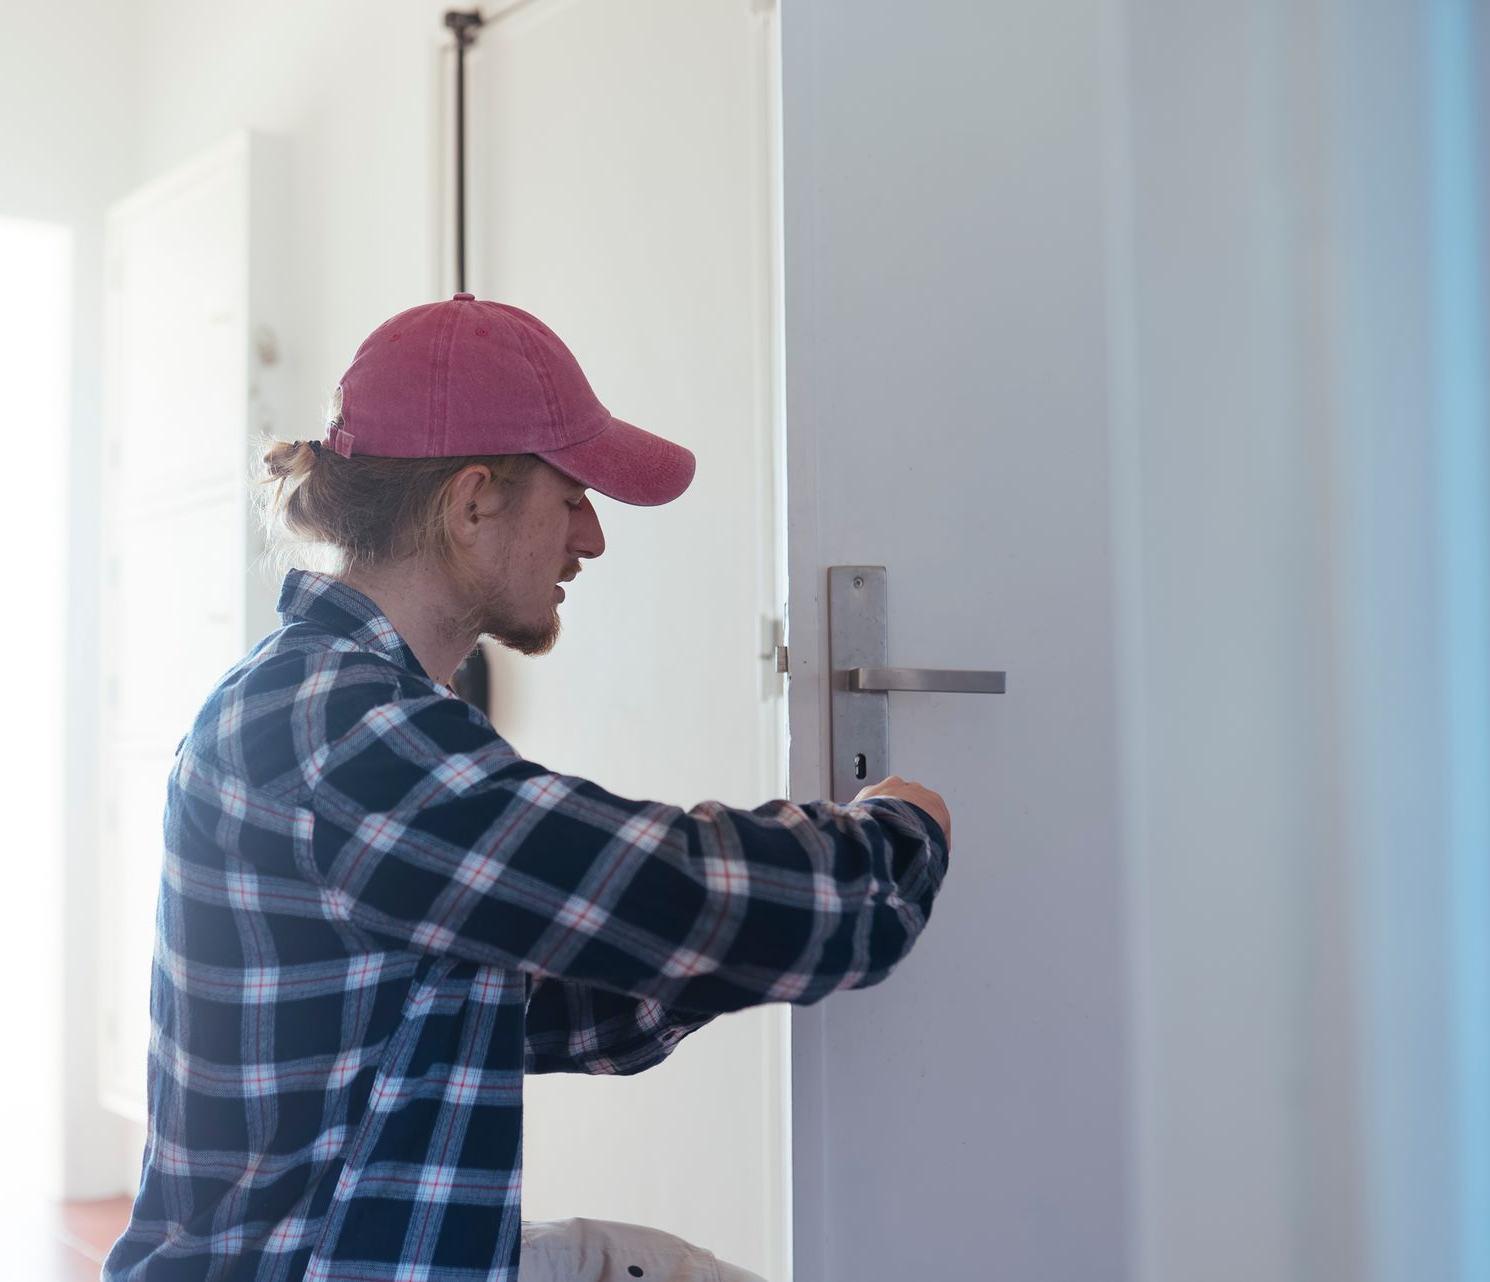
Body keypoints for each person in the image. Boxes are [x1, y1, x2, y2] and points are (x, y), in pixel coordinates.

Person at [104, 294, 953, 1282]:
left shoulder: (326, 698)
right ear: (472, 502)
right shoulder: (348, 735)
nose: (589, 538)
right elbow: (668, 886)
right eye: (572, 497)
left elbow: (514, 999)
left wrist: (675, 959)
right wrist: (897, 840)